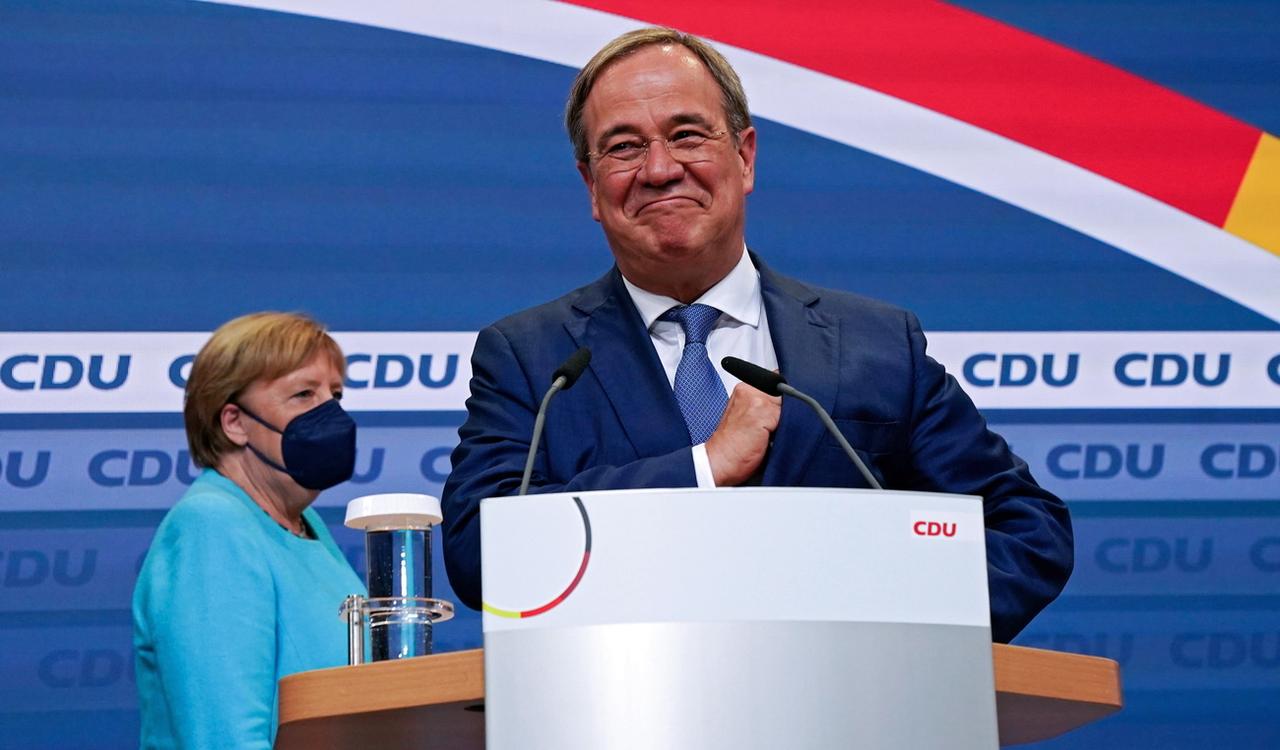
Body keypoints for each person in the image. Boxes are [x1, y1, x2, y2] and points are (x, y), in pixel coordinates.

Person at [441, 27, 1072, 643]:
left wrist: (882, 635)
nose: (660, 169)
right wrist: (702, 469)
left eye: (686, 135)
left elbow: (1026, 530)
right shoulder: (531, 359)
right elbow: (479, 548)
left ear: (744, 157)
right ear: (591, 186)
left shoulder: (876, 345)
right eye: (625, 147)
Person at [132, 312, 365, 749]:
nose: (331, 412)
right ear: (235, 421)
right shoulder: (212, 526)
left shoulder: (305, 524)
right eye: (303, 394)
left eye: (335, 394)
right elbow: (224, 737)